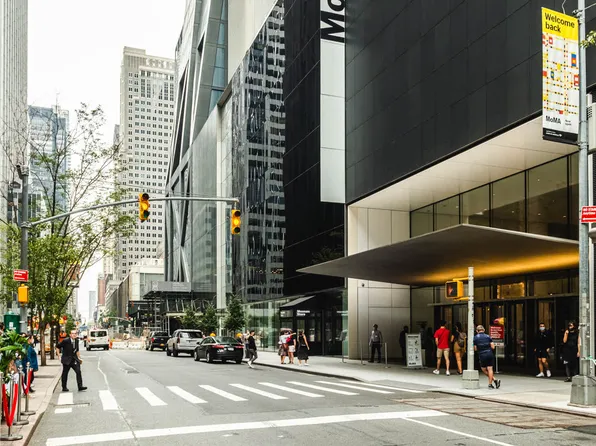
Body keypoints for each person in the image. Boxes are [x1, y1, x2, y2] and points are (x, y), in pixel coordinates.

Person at [473, 325, 501, 389]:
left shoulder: (475, 338)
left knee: (483, 369)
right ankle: (491, 384)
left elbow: (475, 348)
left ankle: (495, 380)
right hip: (489, 354)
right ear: (484, 330)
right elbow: (493, 347)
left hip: (482, 355)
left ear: (477, 331)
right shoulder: (488, 336)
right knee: (490, 369)